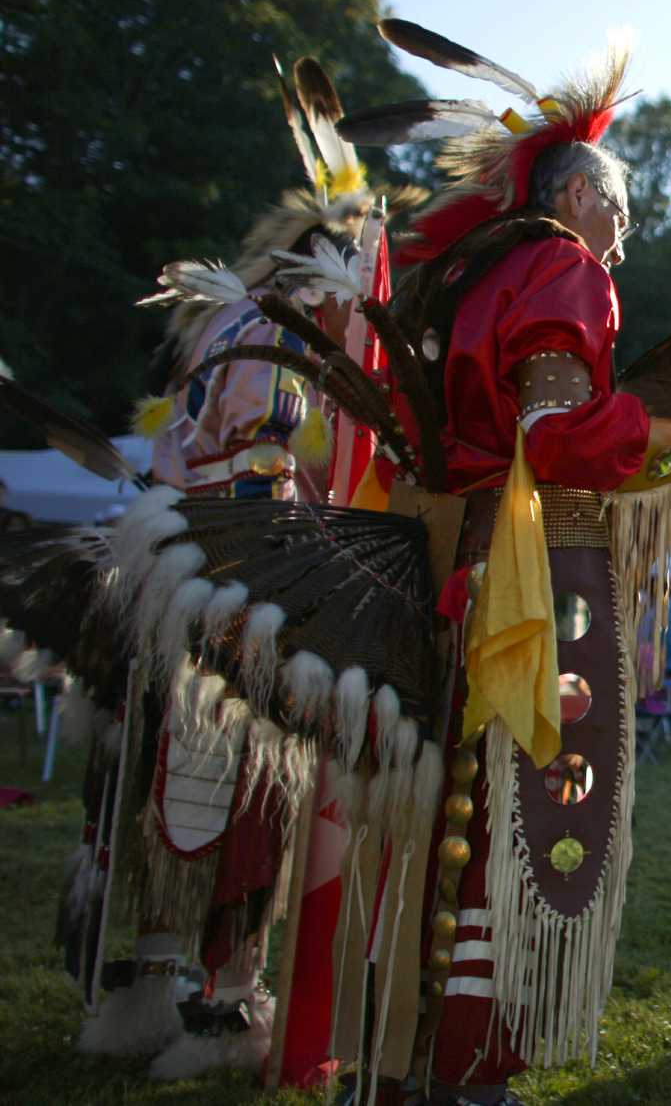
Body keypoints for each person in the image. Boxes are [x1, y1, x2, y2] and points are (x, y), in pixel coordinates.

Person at [335, 21, 671, 1105]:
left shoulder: (488, 278)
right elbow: (557, 437)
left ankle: (403, 1060)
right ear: (575, 197)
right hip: (537, 580)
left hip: (465, 558)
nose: (629, 227)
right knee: (523, 815)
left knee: (451, 809)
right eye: (621, 202)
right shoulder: (563, 269)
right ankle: (473, 1067)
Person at [68, 59, 381, 1080]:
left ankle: (144, 995)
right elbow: (259, 478)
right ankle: (222, 1008)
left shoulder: (222, 324)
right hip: (231, 590)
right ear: (327, 279)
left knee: (166, 788)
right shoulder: (278, 349)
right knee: (244, 798)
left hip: (166, 580)